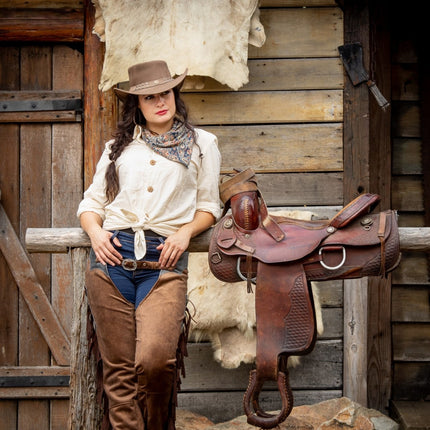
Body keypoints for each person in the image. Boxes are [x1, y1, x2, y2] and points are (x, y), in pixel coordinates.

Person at [77, 60, 221, 430]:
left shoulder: (202, 144)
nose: (160, 102)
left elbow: (209, 207)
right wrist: (95, 233)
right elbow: (91, 205)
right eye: (149, 97)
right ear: (137, 105)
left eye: (165, 93)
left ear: (175, 94)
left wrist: (185, 233)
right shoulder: (117, 148)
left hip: (164, 260)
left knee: (156, 361)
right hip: (110, 259)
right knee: (120, 373)